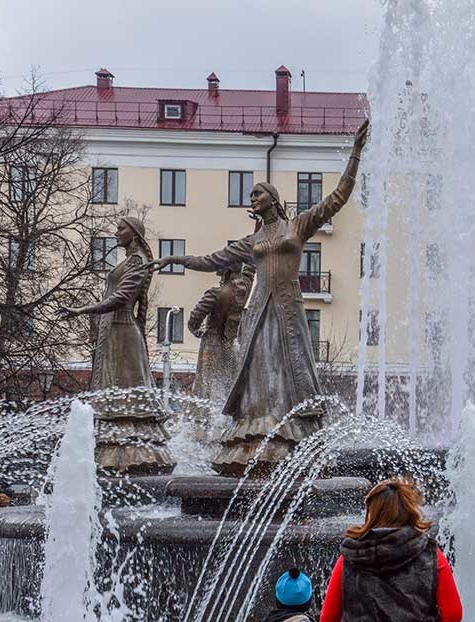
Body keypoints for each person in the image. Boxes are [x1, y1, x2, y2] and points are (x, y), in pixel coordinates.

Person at [150, 120, 369, 474]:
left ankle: (294, 432)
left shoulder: (297, 225)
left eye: (257, 192)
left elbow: (337, 198)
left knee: (291, 368)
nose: (252, 197)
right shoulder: (251, 241)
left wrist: (356, 153)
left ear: (274, 199)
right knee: (260, 369)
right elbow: (210, 260)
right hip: (259, 312)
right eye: (251, 194)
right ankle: (258, 431)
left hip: (288, 307)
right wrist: (172, 259)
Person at [60, 216, 173, 474]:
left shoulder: (137, 262)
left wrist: (82, 310)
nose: (116, 232)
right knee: (114, 392)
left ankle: (131, 453)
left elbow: (122, 297)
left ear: (134, 234)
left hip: (123, 335)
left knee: (126, 393)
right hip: (114, 333)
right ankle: (112, 450)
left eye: (121, 228)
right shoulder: (129, 261)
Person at [319, 478, 462, 622]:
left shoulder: (350, 558)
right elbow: (453, 613)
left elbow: (329, 616)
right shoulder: (431, 555)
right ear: (409, 510)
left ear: (372, 513)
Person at [188, 266, 253, 401]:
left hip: (212, 343)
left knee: (207, 385)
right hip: (231, 344)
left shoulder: (215, 294)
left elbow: (195, 317)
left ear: (225, 274)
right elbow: (249, 274)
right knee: (229, 383)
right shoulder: (244, 291)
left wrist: (196, 330)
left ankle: (204, 418)